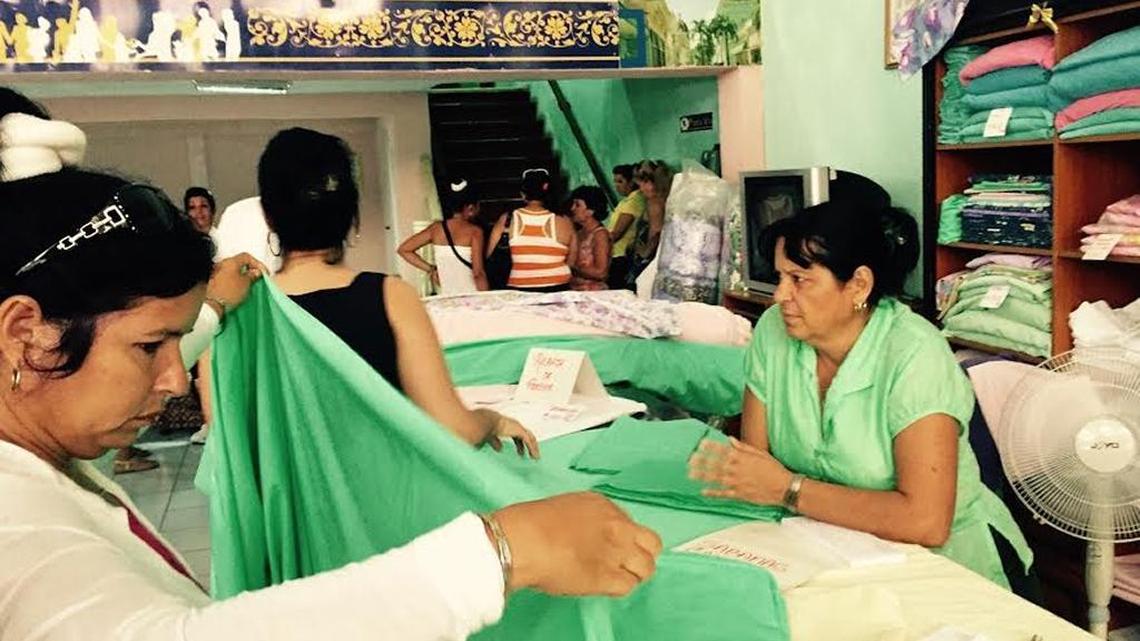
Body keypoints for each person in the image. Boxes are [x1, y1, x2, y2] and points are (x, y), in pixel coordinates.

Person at [0, 96, 662, 641]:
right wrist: (499, 549)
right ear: (24, 334)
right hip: (395, 531)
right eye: (150, 348)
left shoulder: (238, 324)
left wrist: (210, 319)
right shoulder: (15, 523)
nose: (174, 378)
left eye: (180, 342)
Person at [688, 200, 1032, 590]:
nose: (780, 295)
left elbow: (926, 521)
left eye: (799, 279)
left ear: (858, 285)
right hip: (824, 550)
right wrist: (768, 488)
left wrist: (789, 489)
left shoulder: (915, 355)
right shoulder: (773, 331)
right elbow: (755, 472)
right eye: (780, 276)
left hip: (942, 566)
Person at [263, 128, 540, 457]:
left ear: (268, 215)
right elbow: (457, 430)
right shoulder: (391, 297)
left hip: (281, 505)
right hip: (379, 496)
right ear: (353, 213)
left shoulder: (239, 310)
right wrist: (492, 420)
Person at [487, 168, 576, 293]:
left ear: (523, 194)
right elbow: (572, 261)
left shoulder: (507, 219)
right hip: (559, 287)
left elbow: (490, 255)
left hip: (520, 290)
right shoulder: (565, 221)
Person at [397, 178, 488, 294]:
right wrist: (487, 297)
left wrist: (431, 269)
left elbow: (404, 249)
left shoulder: (436, 229)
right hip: (471, 295)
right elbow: (478, 274)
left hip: (448, 296)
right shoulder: (475, 232)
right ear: (470, 208)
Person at [625, 160, 673, 287]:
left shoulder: (654, 203)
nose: (641, 188)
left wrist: (643, 253)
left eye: (645, 182)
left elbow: (656, 232)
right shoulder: (666, 200)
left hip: (649, 261)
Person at [605, 164, 646, 289]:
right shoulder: (627, 201)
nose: (616, 186)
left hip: (622, 257)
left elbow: (617, 233)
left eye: (620, 181)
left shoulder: (634, 202)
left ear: (631, 182)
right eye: (615, 182)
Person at [568, 185, 611, 292]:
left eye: (577, 205)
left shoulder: (600, 235)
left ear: (590, 211)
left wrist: (571, 268)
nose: (572, 208)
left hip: (593, 294)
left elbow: (601, 273)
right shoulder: (578, 233)